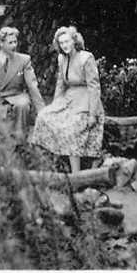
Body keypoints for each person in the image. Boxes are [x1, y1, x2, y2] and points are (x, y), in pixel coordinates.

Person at [28, 26, 104, 173]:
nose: (65, 45)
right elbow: (60, 83)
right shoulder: (62, 58)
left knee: (71, 128)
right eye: (61, 43)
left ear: (74, 41)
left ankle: (76, 174)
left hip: (86, 101)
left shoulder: (86, 58)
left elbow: (94, 87)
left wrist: (92, 114)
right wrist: (55, 104)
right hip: (69, 99)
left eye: (67, 42)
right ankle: (52, 163)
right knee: (44, 116)